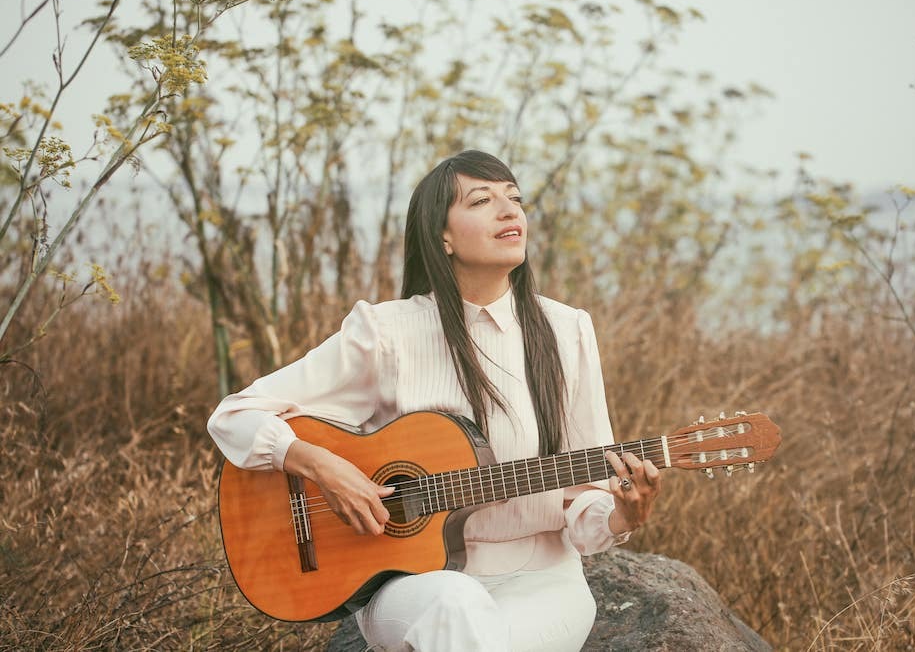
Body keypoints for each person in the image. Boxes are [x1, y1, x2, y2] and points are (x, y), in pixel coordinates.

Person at [207, 150, 662, 651]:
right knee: (454, 606)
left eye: (515, 199)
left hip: (543, 582)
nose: (511, 212)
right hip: (413, 583)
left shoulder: (565, 330)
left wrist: (623, 516)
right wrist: (319, 466)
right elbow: (235, 415)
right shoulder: (386, 333)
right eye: (483, 200)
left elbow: (589, 497)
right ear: (441, 235)